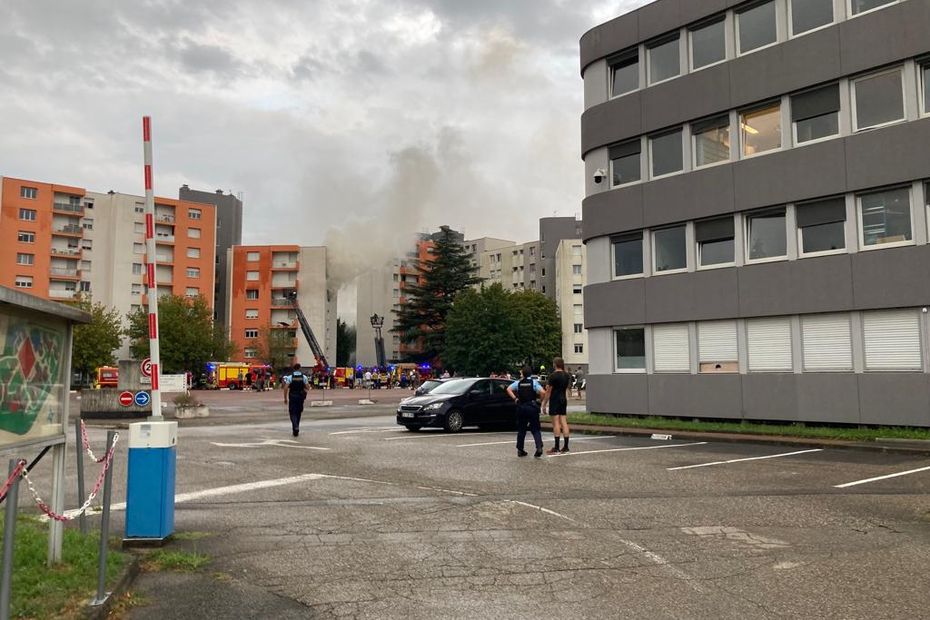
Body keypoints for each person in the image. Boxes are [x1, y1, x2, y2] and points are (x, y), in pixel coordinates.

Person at [507, 366, 545, 458]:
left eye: (521, 373)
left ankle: (520, 450)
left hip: (521, 407)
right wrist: (539, 401)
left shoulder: (518, 383)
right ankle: (539, 447)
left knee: (521, 430)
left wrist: (515, 399)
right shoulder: (534, 382)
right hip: (532, 407)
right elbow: (543, 392)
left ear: (523, 374)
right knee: (535, 429)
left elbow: (508, 389)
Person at [544, 357, 572, 454]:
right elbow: (566, 389)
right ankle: (566, 446)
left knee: (556, 423)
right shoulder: (566, 375)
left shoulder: (553, 376)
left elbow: (548, 391)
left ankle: (556, 447)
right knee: (564, 422)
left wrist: (544, 404)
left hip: (555, 400)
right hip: (563, 399)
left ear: (555, 364)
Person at [283, 362, 309, 437]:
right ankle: (296, 427)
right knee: (299, 412)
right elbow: (308, 387)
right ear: (300, 368)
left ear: (293, 369)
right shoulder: (304, 377)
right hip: (300, 397)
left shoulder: (290, 377)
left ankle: (295, 426)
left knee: (292, 412)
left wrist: (285, 398)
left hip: (292, 396)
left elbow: (285, 388)